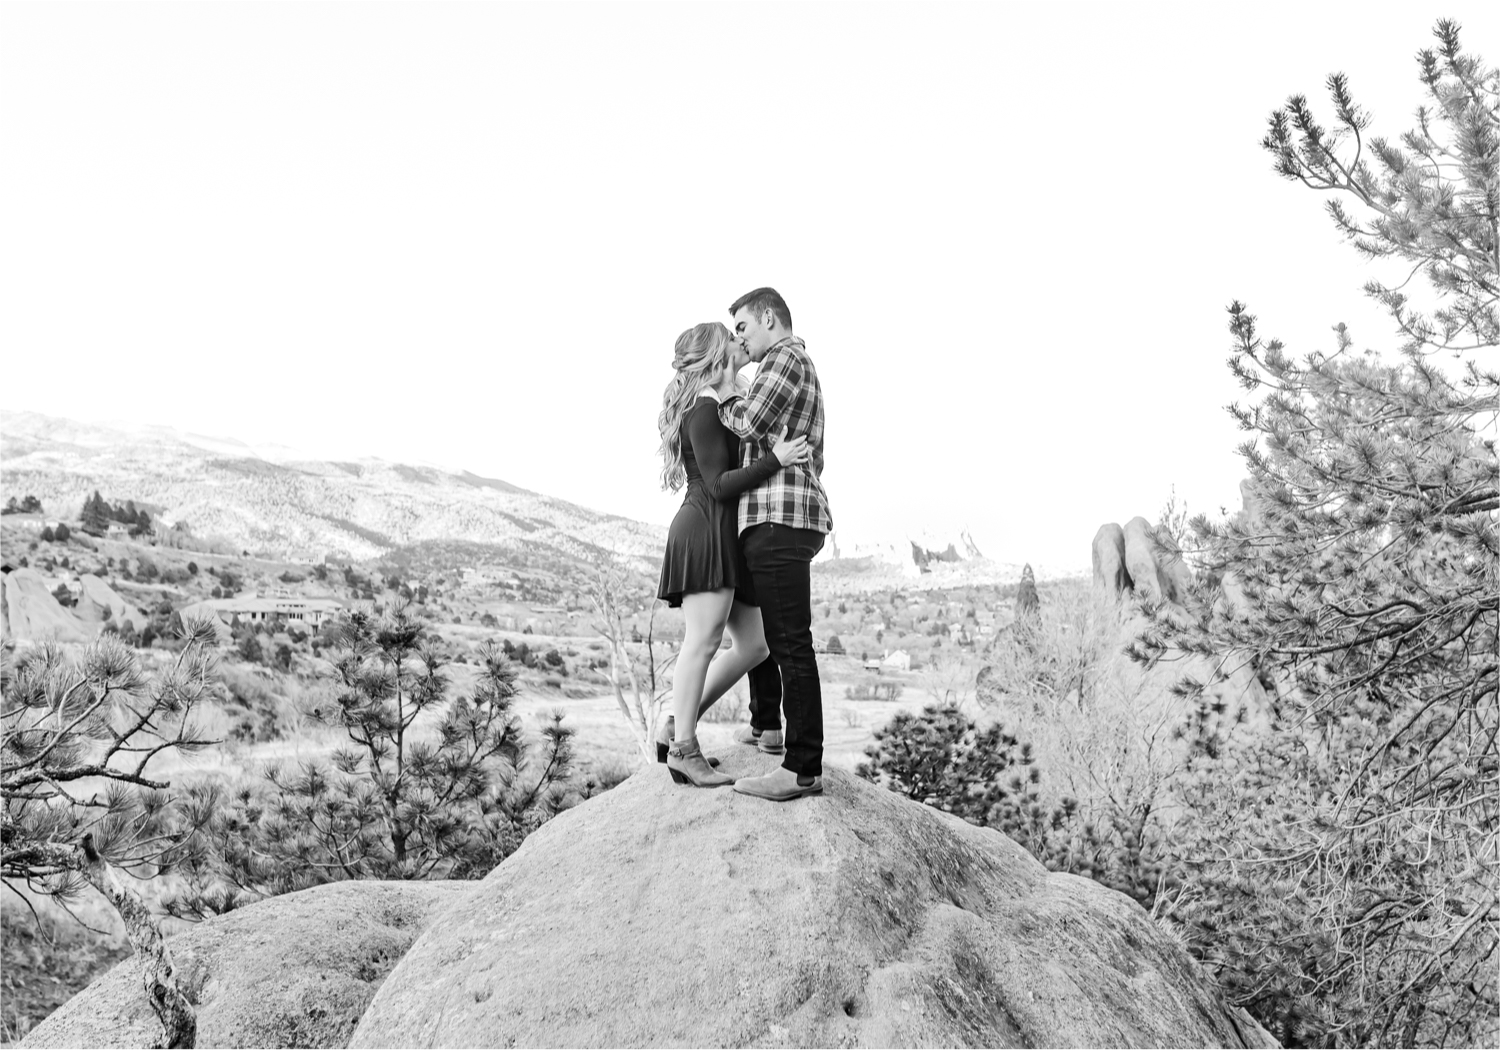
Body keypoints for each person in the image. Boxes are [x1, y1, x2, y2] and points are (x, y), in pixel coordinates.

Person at [655, 321, 809, 787]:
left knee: (755, 644)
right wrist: (775, 461)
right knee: (700, 643)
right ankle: (683, 746)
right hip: (704, 529)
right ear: (716, 360)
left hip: (721, 535)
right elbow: (720, 485)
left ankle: (676, 723)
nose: (741, 347)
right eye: (733, 344)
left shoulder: (721, 406)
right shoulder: (703, 411)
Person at [718, 287, 833, 802]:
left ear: (769, 318)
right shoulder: (784, 364)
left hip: (780, 516)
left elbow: (749, 422)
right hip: (774, 515)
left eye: (742, 328)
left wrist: (723, 388)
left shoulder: (786, 358)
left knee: (790, 642)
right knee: (767, 627)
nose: (740, 339)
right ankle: (767, 726)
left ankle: (802, 768)